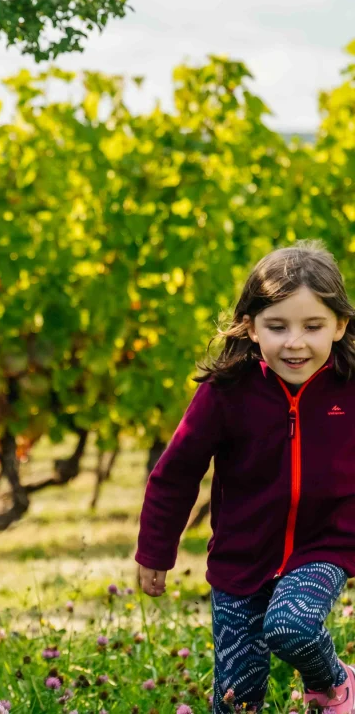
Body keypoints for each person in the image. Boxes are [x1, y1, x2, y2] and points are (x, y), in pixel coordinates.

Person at [135, 240, 355, 714]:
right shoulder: (227, 392)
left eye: (313, 326)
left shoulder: (349, 388)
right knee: (237, 699)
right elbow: (176, 474)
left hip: (324, 545)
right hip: (241, 558)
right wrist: (156, 550)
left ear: (339, 325)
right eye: (277, 327)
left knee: (291, 627)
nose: (294, 342)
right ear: (252, 328)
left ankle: (335, 685)